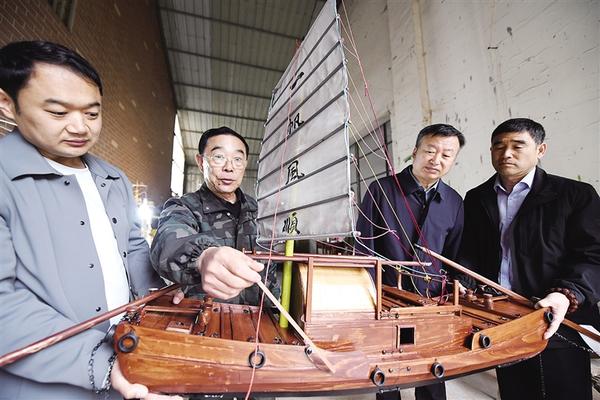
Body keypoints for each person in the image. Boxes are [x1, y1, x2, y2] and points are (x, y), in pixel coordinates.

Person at [0, 40, 181, 400]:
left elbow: (132, 247)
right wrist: (104, 363)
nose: (79, 127)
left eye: (92, 113)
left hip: (128, 360)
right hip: (44, 386)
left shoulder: (113, 178)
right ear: (7, 103)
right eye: (58, 112)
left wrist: (158, 294)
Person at [458, 118, 600, 400]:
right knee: (516, 390)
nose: (506, 153)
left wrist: (566, 294)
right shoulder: (477, 198)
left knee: (564, 391)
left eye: (517, 145)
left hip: (557, 315)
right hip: (502, 318)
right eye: (499, 146)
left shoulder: (575, 194)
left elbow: (594, 254)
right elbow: (470, 252)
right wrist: (464, 280)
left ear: (540, 149)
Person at [356, 124, 465, 400]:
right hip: (386, 297)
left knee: (433, 366)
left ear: (454, 160)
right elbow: (364, 249)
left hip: (432, 300)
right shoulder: (381, 190)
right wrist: (369, 296)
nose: (436, 160)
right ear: (415, 151)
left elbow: (454, 255)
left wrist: (455, 288)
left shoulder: (454, 202)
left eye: (446, 155)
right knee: (386, 366)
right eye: (430, 151)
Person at [151, 126, 279, 304]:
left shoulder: (260, 212)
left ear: (245, 164)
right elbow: (168, 241)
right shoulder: (184, 207)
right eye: (219, 157)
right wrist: (202, 257)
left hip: (262, 316)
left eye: (237, 159)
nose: (229, 168)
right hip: (206, 315)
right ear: (200, 162)